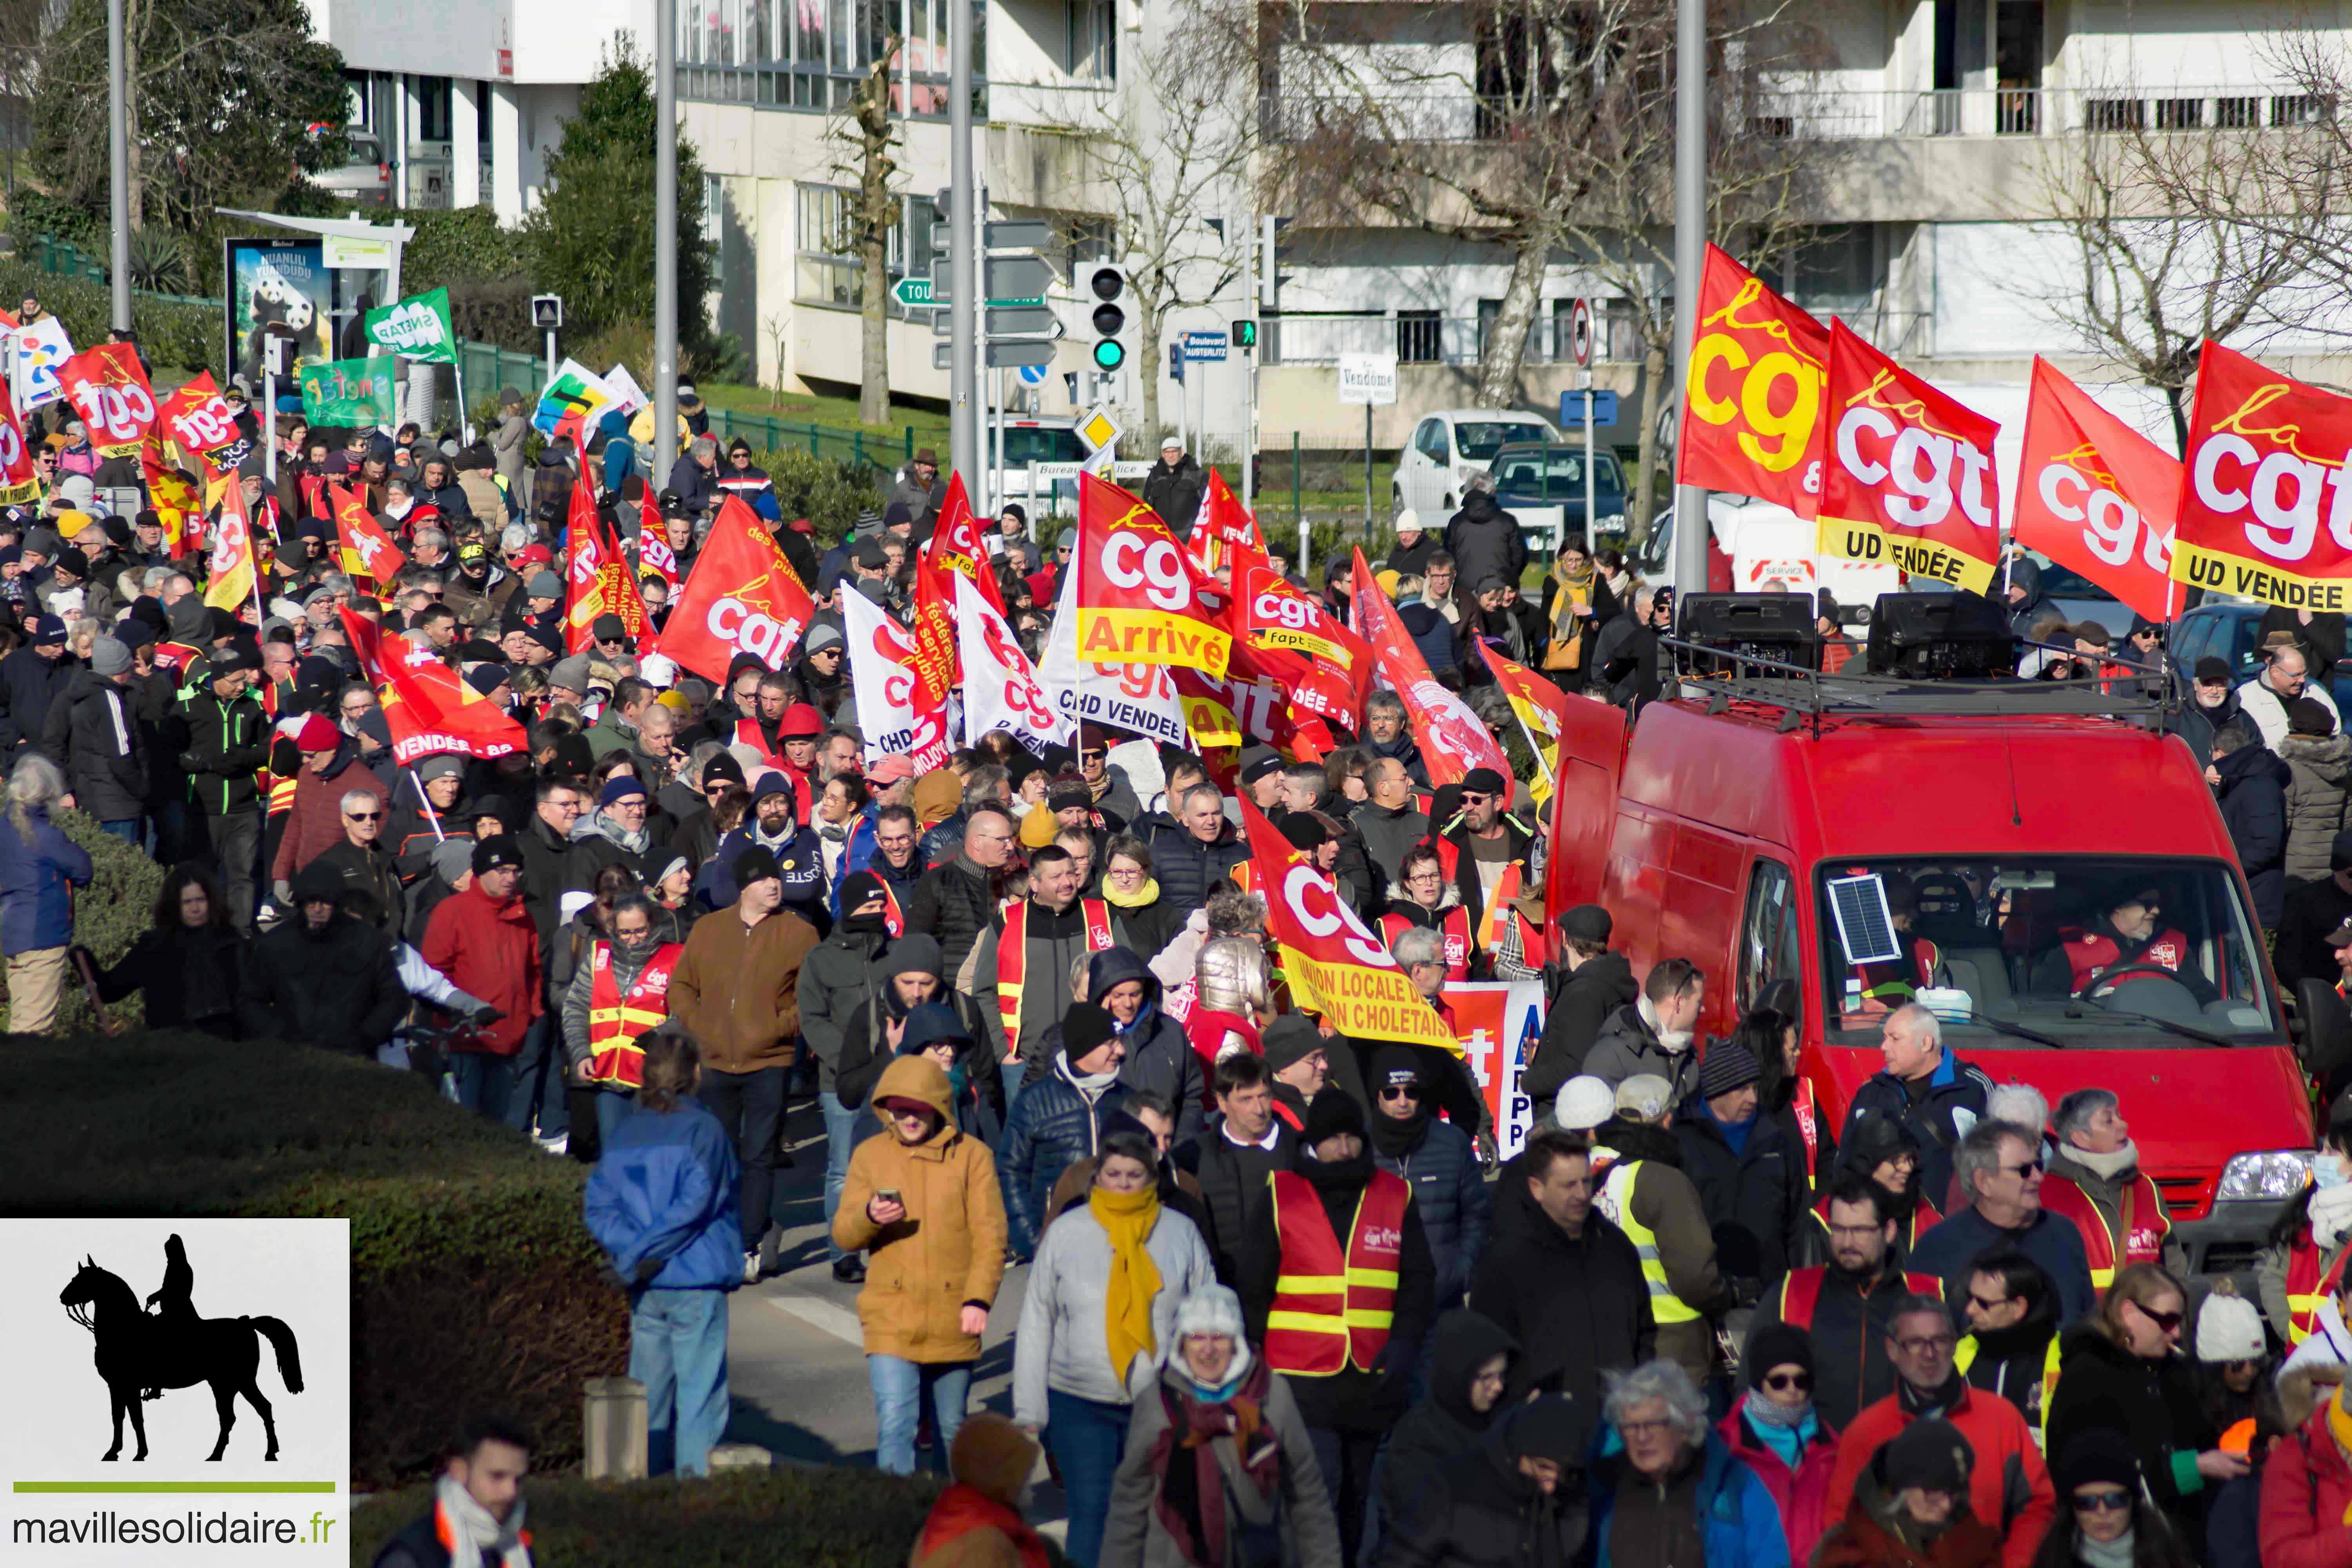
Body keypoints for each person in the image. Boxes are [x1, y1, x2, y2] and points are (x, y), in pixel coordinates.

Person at [1016, 1127, 1214, 1568]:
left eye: (1134, 1174)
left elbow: (1210, 1317)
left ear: (1153, 1176)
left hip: (1163, 1403)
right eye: (1114, 1173)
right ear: (1097, 1177)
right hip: (1079, 1402)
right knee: (1093, 1515)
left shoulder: (1180, 1232)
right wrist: (1030, 1411)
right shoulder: (1068, 1233)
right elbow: (1036, 1321)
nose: (1124, 1183)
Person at [835, 1054, 1009, 1478]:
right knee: (897, 1420)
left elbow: (991, 1236)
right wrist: (870, 1217)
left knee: (952, 1428)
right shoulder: (869, 1155)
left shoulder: (974, 1157)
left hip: (955, 1315)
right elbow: (843, 1234)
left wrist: (978, 1299)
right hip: (890, 1315)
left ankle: (952, 1523)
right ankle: (900, 1523)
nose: (909, 1118)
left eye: (918, 1108)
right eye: (899, 1109)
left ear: (938, 1106)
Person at [581, 1029, 740, 1478]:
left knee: (646, 1401)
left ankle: (640, 1501)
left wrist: (631, 1257)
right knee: (699, 1401)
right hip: (696, 1279)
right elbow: (694, 1207)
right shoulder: (705, 1129)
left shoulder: (627, 1130)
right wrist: (646, 1253)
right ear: (696, 1073)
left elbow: (599, 1205)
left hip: (646, 1283)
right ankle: (692, 1505)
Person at [1101, 1283, 1343, 1568]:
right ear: (1182, 1343)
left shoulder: (1273, 1395)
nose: (1208, 1350)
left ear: (1236, 1342)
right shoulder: (1158, 1402)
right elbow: (1129, 1506)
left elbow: (1308, 1497)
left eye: (1219, 1337)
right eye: (1197, 1337)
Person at [668, 844, 822, 1283]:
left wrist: (777, 1029)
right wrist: (701, 1026)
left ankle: (749, 1243)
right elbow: (681, 986)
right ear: (744, 886)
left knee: (758, 1156)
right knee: (719, 1156)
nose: (774, 884)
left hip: (769, 1062)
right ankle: (718, 1236)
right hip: (715, 1061)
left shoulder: (798, 932)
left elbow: (809, 998)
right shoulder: (709, 929)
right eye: (763, 878)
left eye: (776, 877)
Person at [1826, 1295, 2058, 1568]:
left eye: (1940, 1341)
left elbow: (2038, 1506)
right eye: (1915, 1343)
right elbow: (1842, 1529)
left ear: (1954, 1345)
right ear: (1892, 1350)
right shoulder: (1865, 1432)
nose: (1929, 1354)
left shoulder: (2002, 1420)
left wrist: (2013, 1563)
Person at [2043, 1263, 2240, 1543]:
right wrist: (2190, 1468)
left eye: (2180, 1322)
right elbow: (2086, 1475)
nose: (2176, 1334)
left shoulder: (2175, 1371)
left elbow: (2203, 1441)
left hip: (2179, 1540)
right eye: (2168, 1321)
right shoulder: (2087, 1379)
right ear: (2129, 1313)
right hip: (2120, 1545)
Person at [1470, 1127, 1655, 1412]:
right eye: (1568, 1185)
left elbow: (1643, 1332)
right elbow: (1487, 1352)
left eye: (1586, 1182)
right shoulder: (1508, 1261)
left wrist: (1641, 1389)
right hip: (1548, 1432)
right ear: (1537, 1188)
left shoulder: (1616, 1248)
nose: (1582, 1194)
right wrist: (1523, 1408)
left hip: (1621, 1426)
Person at [1745, 1176, 1944, 1431]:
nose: (1847, 1243)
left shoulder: (1928, 1297)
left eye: (1860, 1231)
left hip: (1900, 1460)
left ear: (1890, 1231)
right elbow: (1750, 1389)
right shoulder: (1790, 1294)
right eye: (1838, 1229)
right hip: (1812, 1461)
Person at [1588, 1356, 1790, 1568]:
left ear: (1685, 1427)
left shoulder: (1734, 1485)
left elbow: (1769, 1558)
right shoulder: (1606, 1488)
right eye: (1631, 1427)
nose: (1641, 1437)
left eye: (1654, 1424)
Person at [1911, 1120, 2098, 1329]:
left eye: (2039, 1166)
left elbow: (2088, 1321)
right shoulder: (1938, 1247)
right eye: (2024, 1170)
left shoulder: (2065, 1232)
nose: (2038, 1177)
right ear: (1984, 1182)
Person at [1377, 1393, 1597, 1568]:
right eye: (1542, 1467)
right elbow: (1401, 1558)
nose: (1551, 1485)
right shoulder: (1454, 1485)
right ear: (1518, 1450)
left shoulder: (1574, 1499)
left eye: (1563, 1473)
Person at [1000, 1002, 1136, 1260]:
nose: (1121, 1051)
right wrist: (1033, 1243)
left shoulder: (1129, 1100)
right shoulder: (1034, 1102)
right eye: (1112, 1043)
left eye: (1120, 1042)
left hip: (1122, 1247)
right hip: (1056, 1250)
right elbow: (1011, 1173)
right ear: (1085, 1046)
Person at [420, 837, 544, 1118]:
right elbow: (433, 976)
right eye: (502, 871)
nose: (510, 878)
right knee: (463, 1124)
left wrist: (531, 1013)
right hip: (465, 1040)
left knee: (497, 1126)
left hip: (509, 1038)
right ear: (480, 872)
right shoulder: (452, 912)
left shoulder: (522, 915)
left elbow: (532, 970)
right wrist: (452, 1018)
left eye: (516, 871)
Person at [1376, 1309, 1521, 1540]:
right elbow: (1420, 1518)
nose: (1498, 1387)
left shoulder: (1500, 1426)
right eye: (1487, 1378)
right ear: (1459, 1373)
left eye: (1502, 1376)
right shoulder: (1417, 1437)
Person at [240, 858, 408, 1053]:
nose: (318, 909)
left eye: (325, 902)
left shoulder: (368, 941)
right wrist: (279, 1035)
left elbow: (395, 998)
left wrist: (366, 1036)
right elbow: (250, 999)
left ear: (337, 903)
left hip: (352, 1058)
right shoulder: (276, 943)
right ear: (302, 903)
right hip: (292, 1057)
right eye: (312, 902)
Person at [1674, 1038, 1806, 1284]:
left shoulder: (1777, 1140)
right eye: (1742, 1090)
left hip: (1769, 1292)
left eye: (1755, 1088)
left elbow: (1797, 1225)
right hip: (1706, 1293)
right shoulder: (1681, 1142)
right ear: (1716, 1092)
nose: (1753, 1099)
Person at [1367, 1045, 1490, 1308]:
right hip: (1377, 1306)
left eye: (1411, 1092)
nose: (1403, 1102)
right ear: (1377, 1096)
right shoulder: (1360, 1147)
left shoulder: (1452, 1144)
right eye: (1392, 1093)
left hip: (1443, 1301)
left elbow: (1477, 1214)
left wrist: (1463, 1271)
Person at [1840, 1003, 1993, 1209]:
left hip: (1950, 1232)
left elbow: (2002, 1169)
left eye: (1895, 1039)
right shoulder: (1870, 1094)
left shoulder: (1973, 1090)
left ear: (1926, 1043)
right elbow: (1844, 1168)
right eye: (1885, 1038)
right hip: (1882, 1232)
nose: (1884, 1047)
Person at [561, 892, 682, 1142]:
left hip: (654, 1081)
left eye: (641, 931)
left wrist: (661, 1037)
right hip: (608, 1079)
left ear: (653, 926)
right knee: (614, 1155)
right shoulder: (598, 955)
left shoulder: (676, 958)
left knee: (650, 1157)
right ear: (614, 931)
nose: (634, 939)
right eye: (625, 933)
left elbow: (691, 1013)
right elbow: (575, 1007)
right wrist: (581, 1052)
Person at [1174, 1051, 1298, 1287]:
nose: (1259, 1109)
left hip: (1288, 1292)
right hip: (1223, 1292)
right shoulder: (1194, 1157)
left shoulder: (1299, 1152)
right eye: (1246, 1099)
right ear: (1222, 1102)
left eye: (1264, 1097)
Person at [1723, 1322, 1843, 1566]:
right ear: (1759, 1384)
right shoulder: (1726, 1448)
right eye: (1779, 1382)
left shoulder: (1832, 1448)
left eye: (1801, 1381)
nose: (1792, 1390)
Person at [1814, 1417, 2006, 1568]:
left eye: (1954, 1493)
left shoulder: (1978, 1543)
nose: (1947, 1505)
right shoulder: (1847, 1548)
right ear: (1901, 1487)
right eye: (1934, 1494)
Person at [80, 862, 244, 1037]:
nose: (195, 909)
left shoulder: (229, 942)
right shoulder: (154, 946)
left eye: (201, 900)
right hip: (168, 1046)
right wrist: (86, 964)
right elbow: (111, 989)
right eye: (187, 902)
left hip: (223, 1045)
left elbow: (251, 996)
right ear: (174, 904)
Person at [2039, 1089, 2171, 1291]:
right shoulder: (2046, 1193)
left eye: (2119, 1116)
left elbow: (2173, 1261)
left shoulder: (2145, 1187)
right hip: (2083, 1322)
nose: (2124, 1125)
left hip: (2145, 1319)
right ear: (2081, 1138)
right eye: (2109, 1121)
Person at [367, 1414, 535, 1568]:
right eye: (497, 1476)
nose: (510, 1492)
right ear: (459, 1471)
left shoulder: (517, 1550)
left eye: (518, 1480)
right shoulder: (409, 1559)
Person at [0, 751, 90, 1032]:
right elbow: (84, 869)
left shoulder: (5, 830)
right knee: (34, 1030)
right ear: (48, 792)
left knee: (21, 1020)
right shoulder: (45, 835)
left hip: (13, 936)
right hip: (43, 936)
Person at [1524, 904, 1635, 1123]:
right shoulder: (1602, 980)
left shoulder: (1586, 991)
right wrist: (1546, 1052)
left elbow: (1577, 1065)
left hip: (1567, 1116)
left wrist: (1529, 1081)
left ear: (1565, 939)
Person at [907, 1412, 1054, 1568]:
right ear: (998, 1478)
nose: (1030, 1488)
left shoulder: (947, 1519)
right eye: (1023, 1475)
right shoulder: (989, 1546)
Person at [38, 635, 146, 841]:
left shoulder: (83, 693)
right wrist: (142, 789)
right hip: (116, 801)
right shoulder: (107, 698)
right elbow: (121, 756)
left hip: (92, 797)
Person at [1956, 1250, 2063, 1441]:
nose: (1970, 1310)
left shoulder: (2064, 1360)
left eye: (1983, 1303)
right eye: (1969, 1297)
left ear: (2019, 1308)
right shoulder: (1961, 1353)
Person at [1584, 956, 1706, 1100]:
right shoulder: (1611, 1056)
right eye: (1699, 1002)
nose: (1703, 1009)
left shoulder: (1688, 1058)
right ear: (1679, 1003)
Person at [2213, 726, 2292, 929]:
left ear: (2219, 754)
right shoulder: (2244, 781)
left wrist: (2229, 869)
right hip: (2244, 897)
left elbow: (2266, 845)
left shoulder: (2259, 786)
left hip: (2256, 905)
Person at [2281, 697, 2352, 889]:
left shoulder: (2290, 771)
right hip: (2332, 869)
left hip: (2296, 871)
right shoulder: (2344, 769)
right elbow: (2348, 823)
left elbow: (2282, 825)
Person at [2238, 642, 2339, 750]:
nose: (2302, 680)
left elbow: (2336, 734)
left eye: (2304, 673)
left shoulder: (2316, 693)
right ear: (2275, 672)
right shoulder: (2245, 697)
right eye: (2296, 675)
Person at [1142, 437, 1206, 539]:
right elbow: (1147, 504)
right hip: (1161, 537)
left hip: (1189, 538)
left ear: (1182, 453)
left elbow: (1208, 504)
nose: (1171, 456)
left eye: (1174, 452)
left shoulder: (1196, 475)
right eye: (1167, 452)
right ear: (1163, 455)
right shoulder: (1155, 475)